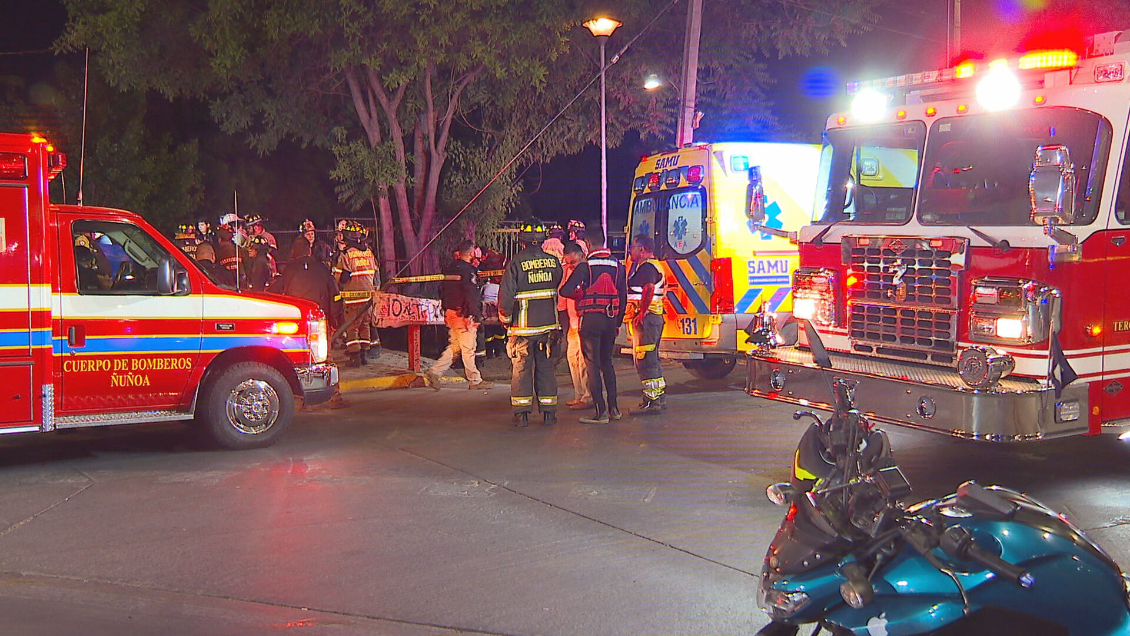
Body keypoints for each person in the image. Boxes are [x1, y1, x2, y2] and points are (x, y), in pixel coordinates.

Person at [498, 222, 562, 427]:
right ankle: (549, 413)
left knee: (522, 370)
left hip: (523, 329)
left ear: (521, 241)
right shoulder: (554, 262)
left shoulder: (515, 263)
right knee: (546, 369)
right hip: (549, 328)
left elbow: (506, 298)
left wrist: (506, 320)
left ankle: (522, 415)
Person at [561, 226, 626, 423]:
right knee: (607, 363)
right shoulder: (617, 265)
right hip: (610, 319)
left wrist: (581, 294)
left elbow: (565, 290)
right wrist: (618, 322)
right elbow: (622, 296)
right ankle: (614, 409)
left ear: (587, 244)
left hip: (590, 320)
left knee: (592, 364)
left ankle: (600, 412)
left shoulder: (585, 266)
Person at [426, 240, 492, 390]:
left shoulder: (450, 269)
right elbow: (470, 295)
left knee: (456, 346)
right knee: (468, 348)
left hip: (451, 313)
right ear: (471, 253)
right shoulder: (468, 271)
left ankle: (435, 371)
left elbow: (443, 290)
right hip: (463, 314)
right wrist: (473, 315)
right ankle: (475, 380)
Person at [626, 235, 667, 414]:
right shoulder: (653, 265)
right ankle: (658, 397)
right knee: (652, 359)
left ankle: (651, 402)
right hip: (652, 318)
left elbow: (648, 288)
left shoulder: (648, 267)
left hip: (647, 320)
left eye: (632, 248)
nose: (630, 251)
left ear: (641, 249)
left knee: (645, 360)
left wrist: (641, 313)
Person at [333, 221, 379, 367]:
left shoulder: (347, 254)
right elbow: (375, 274)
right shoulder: (369, 253)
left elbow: (343, 279)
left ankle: (355, 357)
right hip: (368, 297)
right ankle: (364, 354)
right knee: (365, 325)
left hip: (353, 299)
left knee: (352, 327)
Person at [269, 240, 342, 328]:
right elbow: (335, 295)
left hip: (298, 317)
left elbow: (273, 292)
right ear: (309, 251)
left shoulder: (289, 269)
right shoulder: (323, 268)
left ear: (293, 252)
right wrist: (334, 322)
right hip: (319, 316)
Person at [560, 242, 592, 409]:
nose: (570, 266)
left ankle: (587, 396)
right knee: (573, 358)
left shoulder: (587, 271)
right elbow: (563, 295)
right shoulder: (568, 271)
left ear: (582, 256)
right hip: (572, 322)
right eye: (567, 262)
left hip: (583, 321)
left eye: (573, 262)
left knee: (583, 362)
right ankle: (579, 394)